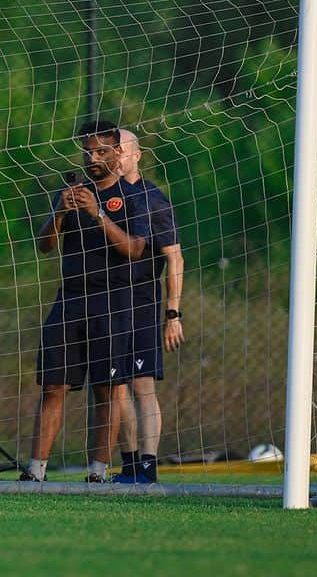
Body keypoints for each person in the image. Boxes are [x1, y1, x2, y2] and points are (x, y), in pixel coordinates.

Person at [22, 120, 149, 483]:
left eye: (101, 151)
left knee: (107, 389)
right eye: (88, 151)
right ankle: (36, 471)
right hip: (70, 301)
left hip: (113, 302)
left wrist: (98, 214)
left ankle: (97, 473)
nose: (92, 157)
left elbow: (135, 249)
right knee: (52, 386)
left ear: (117, 153)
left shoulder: (135, 197)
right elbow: (45, 245)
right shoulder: (70, 194)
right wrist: (60, 213)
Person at [112, 129, 185, 484]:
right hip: (105, 301)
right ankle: (127, 465)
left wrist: (173, 313)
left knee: (143, 384)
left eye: (122, 151)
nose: (117, 157)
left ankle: (148, 465)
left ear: (137, 155)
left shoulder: (154, 200)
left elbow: (174, 258)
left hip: (142, 300)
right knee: (115, 385)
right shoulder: (100, 195)